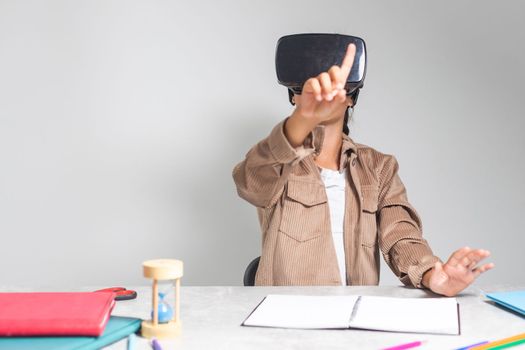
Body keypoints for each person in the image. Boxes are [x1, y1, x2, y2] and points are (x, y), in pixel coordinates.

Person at [232, 37, 494, 296]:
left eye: (338, 88)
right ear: (293, 97)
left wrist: (433, 275)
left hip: (353, 315)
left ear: (351, 99)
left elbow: (400, 234)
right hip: (286, 316)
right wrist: (303, 119)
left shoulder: (379, 167)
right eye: (307, 89)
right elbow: (251, 181)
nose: (325, 94)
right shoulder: (277, 160)